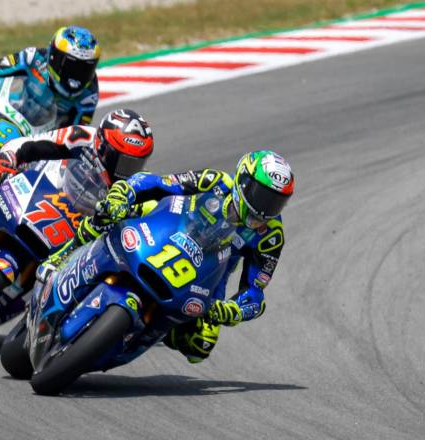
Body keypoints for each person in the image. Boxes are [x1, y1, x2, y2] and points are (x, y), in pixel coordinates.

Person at [42, 150, 295, 364]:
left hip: (209, 272)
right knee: (110, 213)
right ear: (243, 181)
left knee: (200, 345)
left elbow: (255, 292)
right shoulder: (215, 182)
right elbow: (160, 183)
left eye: (276, 202)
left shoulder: (270, 235)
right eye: (262, 196)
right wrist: (125, 193)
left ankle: (154, 329)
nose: (265, 209)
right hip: (166, 228)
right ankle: (63, 255)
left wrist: (233, 310)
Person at [0, 26, 100, 130]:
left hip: (35, 141)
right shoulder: (33, 57)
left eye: (84, 69)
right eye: (70, 66)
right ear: (53, 57)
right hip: (7, 112)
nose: (75, 76)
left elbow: (74, 136)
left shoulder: (89, 96)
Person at [0, 108, 155, 191]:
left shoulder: (137, 183)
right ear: (103, 147)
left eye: (136, 164)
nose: (128, 172)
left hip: (78, 228)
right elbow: (29, 144)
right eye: (124, 162)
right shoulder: (80, 136)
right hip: (43, 191)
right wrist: (8, 159)